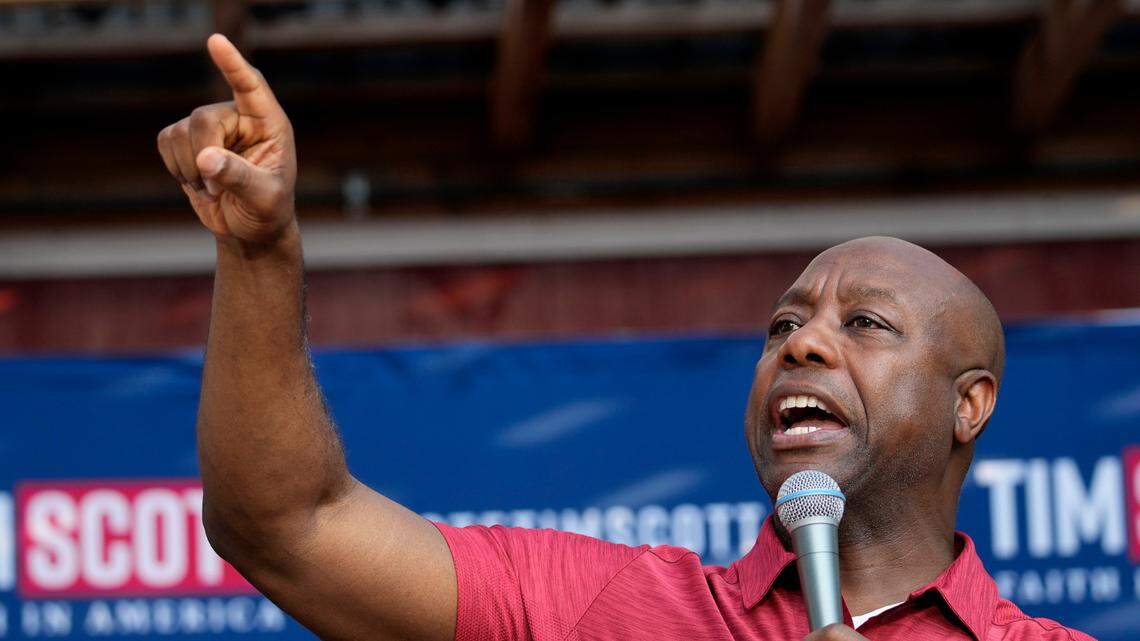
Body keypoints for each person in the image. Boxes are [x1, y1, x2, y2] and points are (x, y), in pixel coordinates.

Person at [156, 34, 1097, 641]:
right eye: (783, 324)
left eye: (864, 324)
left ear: (968, 404)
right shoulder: (610, 611)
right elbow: (285, 524)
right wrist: (263, 253)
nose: (800, 346)